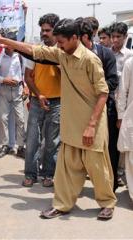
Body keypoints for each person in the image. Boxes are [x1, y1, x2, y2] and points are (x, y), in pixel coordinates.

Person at [0, 18, 117, 220]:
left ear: (75, 38)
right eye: (57, 42)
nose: (58, 45)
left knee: (97, 168)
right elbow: (34, 50)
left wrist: (92, 125)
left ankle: (107, 203)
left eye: (62, 42)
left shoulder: (91, 60)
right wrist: (2, 40)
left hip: (90, 125)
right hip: (71, 124)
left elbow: (103, 93)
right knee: (66, 169)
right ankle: (62, 204)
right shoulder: (61, 54)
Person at [77, 18, 119, 192]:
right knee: (80, 149)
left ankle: (110, 187)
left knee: (107, 149)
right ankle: (77, 187)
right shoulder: (71, 56)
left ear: (88, 36)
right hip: (79, 110)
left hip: (103, 109)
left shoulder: (104, 54)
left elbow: (113, 81)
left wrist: (95, 91)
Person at [22, 13, 61, 188]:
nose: (44, 33)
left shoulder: (62, 52)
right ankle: (31, 174)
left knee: (52, 141)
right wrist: (39, 95)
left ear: (56, 31)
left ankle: (48, 174)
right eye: (42, 30)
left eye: (48, 30)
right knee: (32, 139)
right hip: (38, 101)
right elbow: (28, 77)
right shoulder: (35, 51)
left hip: (58, 102)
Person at [110, 22, 133, 186]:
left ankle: (121, 174)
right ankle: (112, 177)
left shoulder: (129, 57)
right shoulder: (107, 54)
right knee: (113, 142)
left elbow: (124, 89)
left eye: (119, 37)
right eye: (113, 36)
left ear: (125, 37)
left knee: (126, 145)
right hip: (111, 104)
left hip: (125, 105)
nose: (115, 40)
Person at [0, 41, 26, 158]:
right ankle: (5, 146)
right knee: (3, 118)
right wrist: (3, 80)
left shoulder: (20, 57)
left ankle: (21, 147)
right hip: (4, 89)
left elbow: (24, 73)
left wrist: (25, 87)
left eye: (10, 44)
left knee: (21, 119)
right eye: (6, 44)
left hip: (17, 90)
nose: (8, 46)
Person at [117, 57, 133, 201]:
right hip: (131, 117)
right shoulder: (130, 63)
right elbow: (123, 91)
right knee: (131, 159)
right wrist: (120, 116)